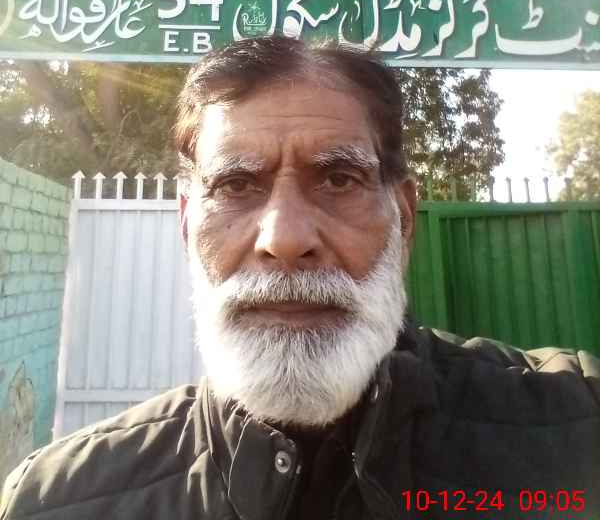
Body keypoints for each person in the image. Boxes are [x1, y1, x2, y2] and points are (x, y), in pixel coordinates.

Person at [2, 36, 599, 520]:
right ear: (187, 226)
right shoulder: (56, 501)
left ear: (404, 219)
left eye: (338, 179)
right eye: (236, 184)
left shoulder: (578, 429)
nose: (284, 239)